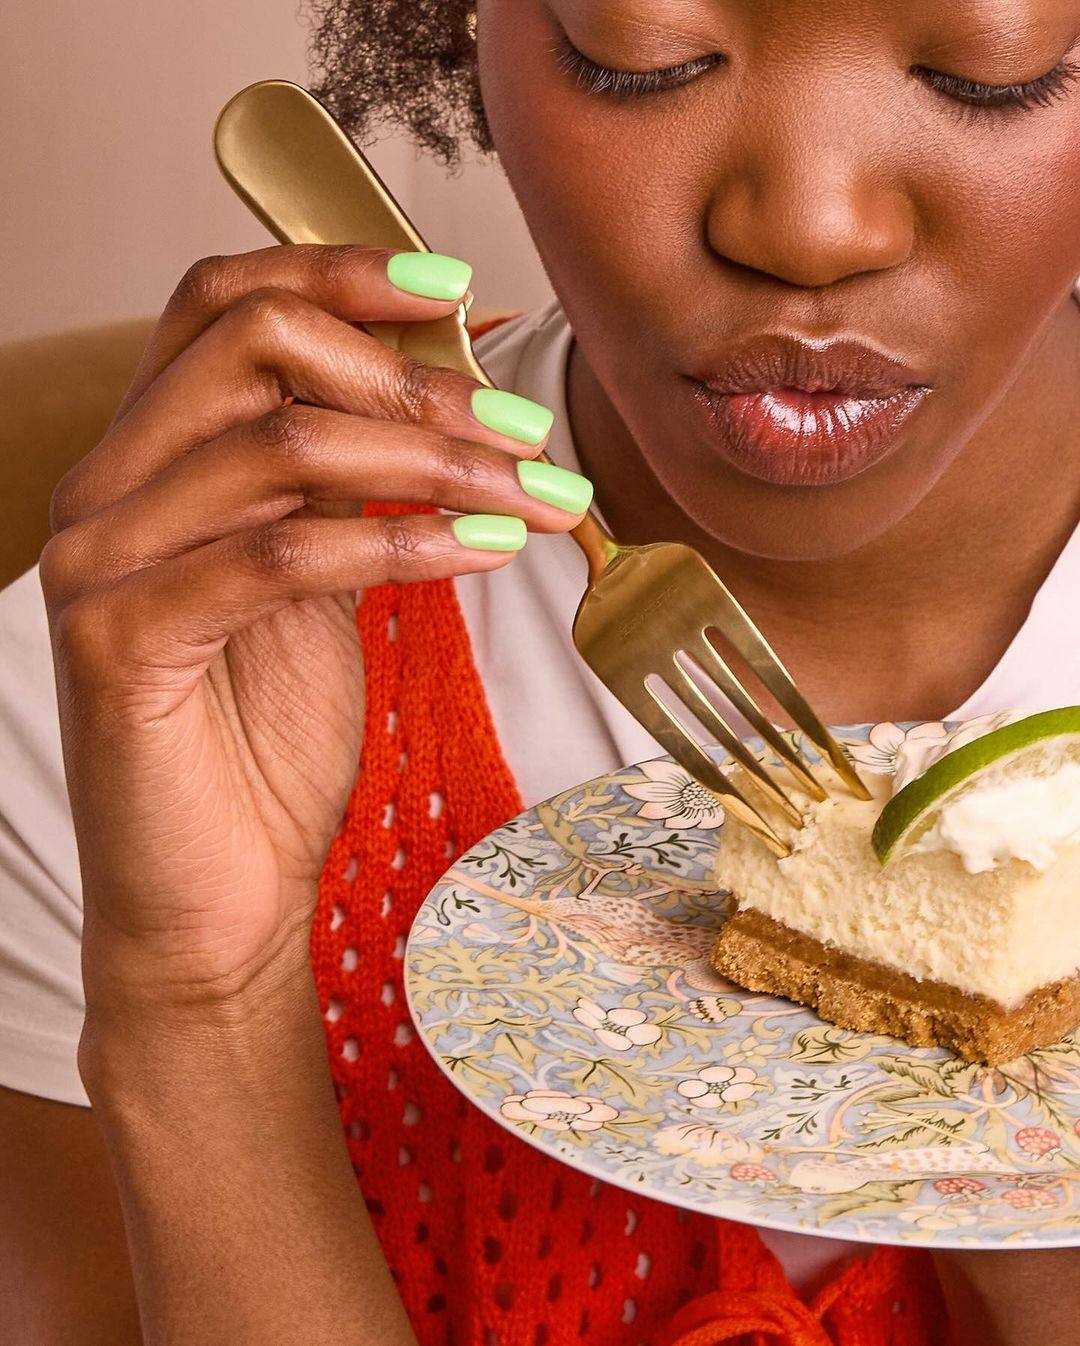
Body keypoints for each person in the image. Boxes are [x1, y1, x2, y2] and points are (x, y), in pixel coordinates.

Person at [1, 0, 1079, 1342]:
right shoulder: (133, 702)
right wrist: (199, 1003)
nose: (807, 226)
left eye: (989, 71)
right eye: (648, 52)